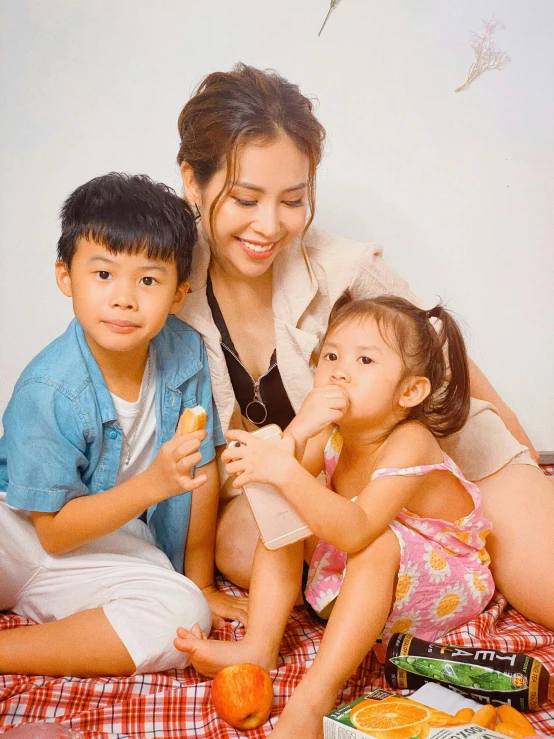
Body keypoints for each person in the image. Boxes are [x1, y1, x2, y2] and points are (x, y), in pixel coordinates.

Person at [176, 63, 554, 630]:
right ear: (192, 182)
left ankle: (462, 558)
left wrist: (524, 467)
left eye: (293, 200)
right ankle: (435, 576)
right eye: (245, 198)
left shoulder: (345, 266)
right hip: (314, 489)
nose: (270, 225)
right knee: (244, 548)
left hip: (428, 464)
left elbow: (449, 362)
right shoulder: (162, 285)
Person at [175, 292, 497, 737]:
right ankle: (260, 647)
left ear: (410, 392)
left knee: (374, 540)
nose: (339, 370)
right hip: (365, 568)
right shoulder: (332, 425)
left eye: (365, 361)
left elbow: (359, 529)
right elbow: (284, 487)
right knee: (283, 510)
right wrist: (299, 430)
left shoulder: (411, 441)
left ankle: (314, 700)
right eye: (330, 355)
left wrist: (286, 467)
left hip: (444, 580)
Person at [0, 172, 247, 678]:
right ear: (66, 276)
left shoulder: (185, 357)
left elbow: (199, 473)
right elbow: (51, 535)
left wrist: (199, 583)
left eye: (148, 280)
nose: (124, 298)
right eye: (104, 275)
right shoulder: (50, 388)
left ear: (178, 294)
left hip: (107, 540)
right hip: (20, 530)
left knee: (183, 619)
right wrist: (153, 485)